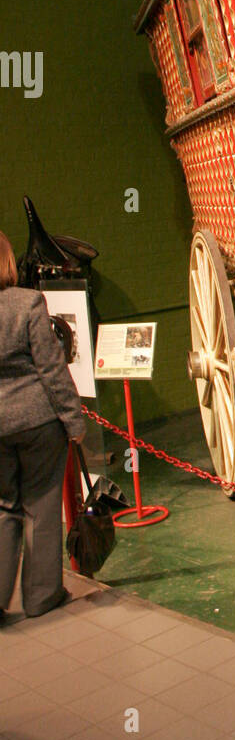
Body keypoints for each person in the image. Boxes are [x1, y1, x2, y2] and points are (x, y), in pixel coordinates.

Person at [0, 230, 84, 619]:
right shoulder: (28, 303)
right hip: (37, 422)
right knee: (41, 506)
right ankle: (41, 596)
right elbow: (52, 370)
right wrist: (74, 420)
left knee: (3, 509)